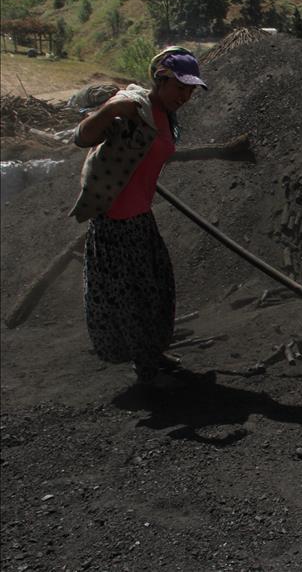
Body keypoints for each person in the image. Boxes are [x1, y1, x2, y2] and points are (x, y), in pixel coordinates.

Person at [70, 46, 208, 386]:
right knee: (133, 299)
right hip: (116, 222)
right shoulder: (133, 106)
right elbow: (81, 137)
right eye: (180, 87)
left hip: (140, 217)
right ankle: (147, 372)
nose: (185, 95)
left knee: (157, 290)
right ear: (159, 79)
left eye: (190, 89)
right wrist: (111, 110)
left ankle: (153, 355)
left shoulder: (166, 115)